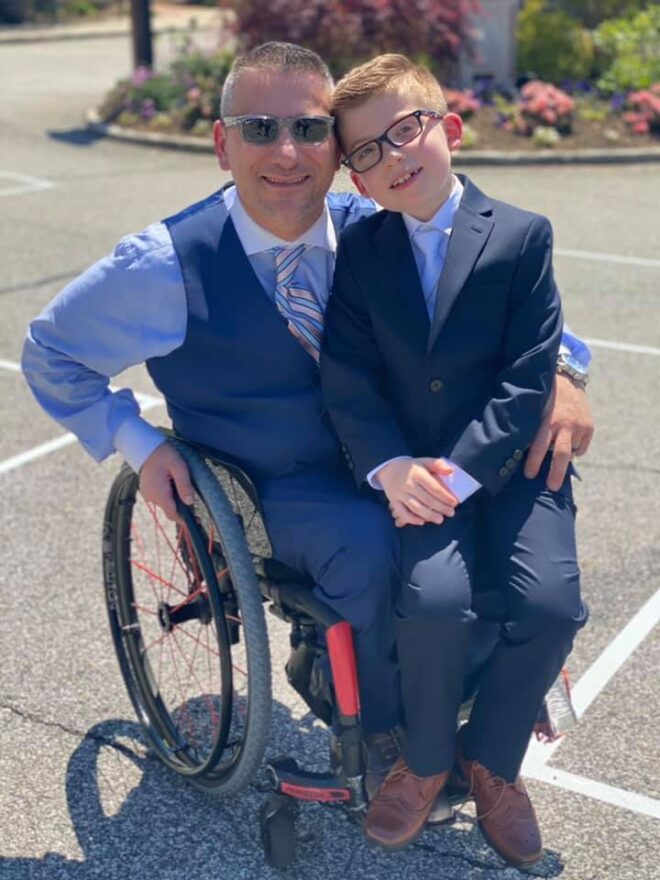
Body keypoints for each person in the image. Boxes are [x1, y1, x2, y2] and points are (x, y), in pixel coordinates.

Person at [22, 43, 592, 802]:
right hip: (283, 482)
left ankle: (486, 708)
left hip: (402, 451)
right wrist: (138, 439)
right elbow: (51, 352)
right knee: (371, 544)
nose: (286, 153)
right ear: (223, 144)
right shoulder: (162, 265)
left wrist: (567, 371)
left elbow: (497, 297)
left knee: (490, 524)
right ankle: (388, 729)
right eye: (259, 129)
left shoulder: (372, 222)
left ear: (340, 151)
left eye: (309, 129)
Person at [321, 54, 589, 865]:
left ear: (450, 128)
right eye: (367, 151)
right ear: (357, 181)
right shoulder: (361, 252)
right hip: (413, 476)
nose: (393, 156)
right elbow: (347, 374)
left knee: (552, 607)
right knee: (434, 602)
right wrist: (390, 468)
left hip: (510, 470)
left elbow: (525, 377)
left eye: (407, 130)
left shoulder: (520, 236)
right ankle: (429, 758)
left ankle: (494, 762)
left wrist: (463, 473)